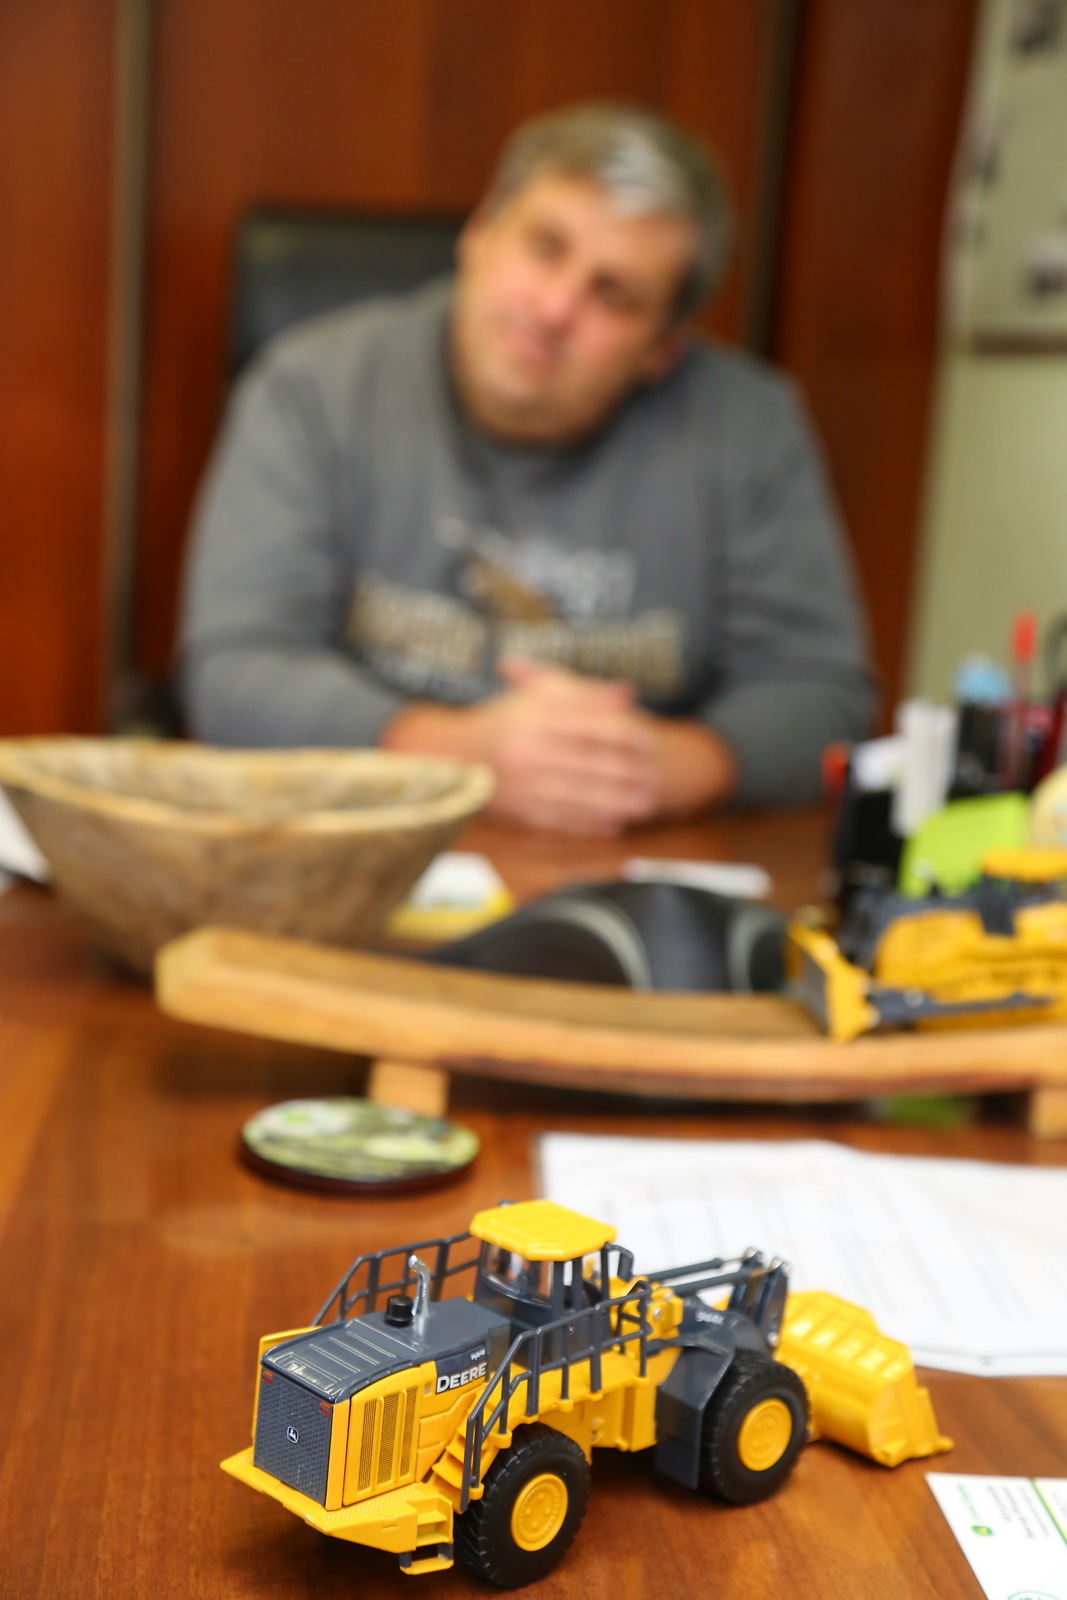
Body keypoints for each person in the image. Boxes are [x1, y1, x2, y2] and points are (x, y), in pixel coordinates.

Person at [181, 103, 874, 834]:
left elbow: (821, 697)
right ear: (480, 231)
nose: (554, 309)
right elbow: (235, 672)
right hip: (369, 839)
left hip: (628, 849)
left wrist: (662, 767)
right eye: (544, 248)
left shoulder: (748, 429)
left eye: (613, 295)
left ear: (661, 348)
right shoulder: (312, 389)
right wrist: (460, 755)